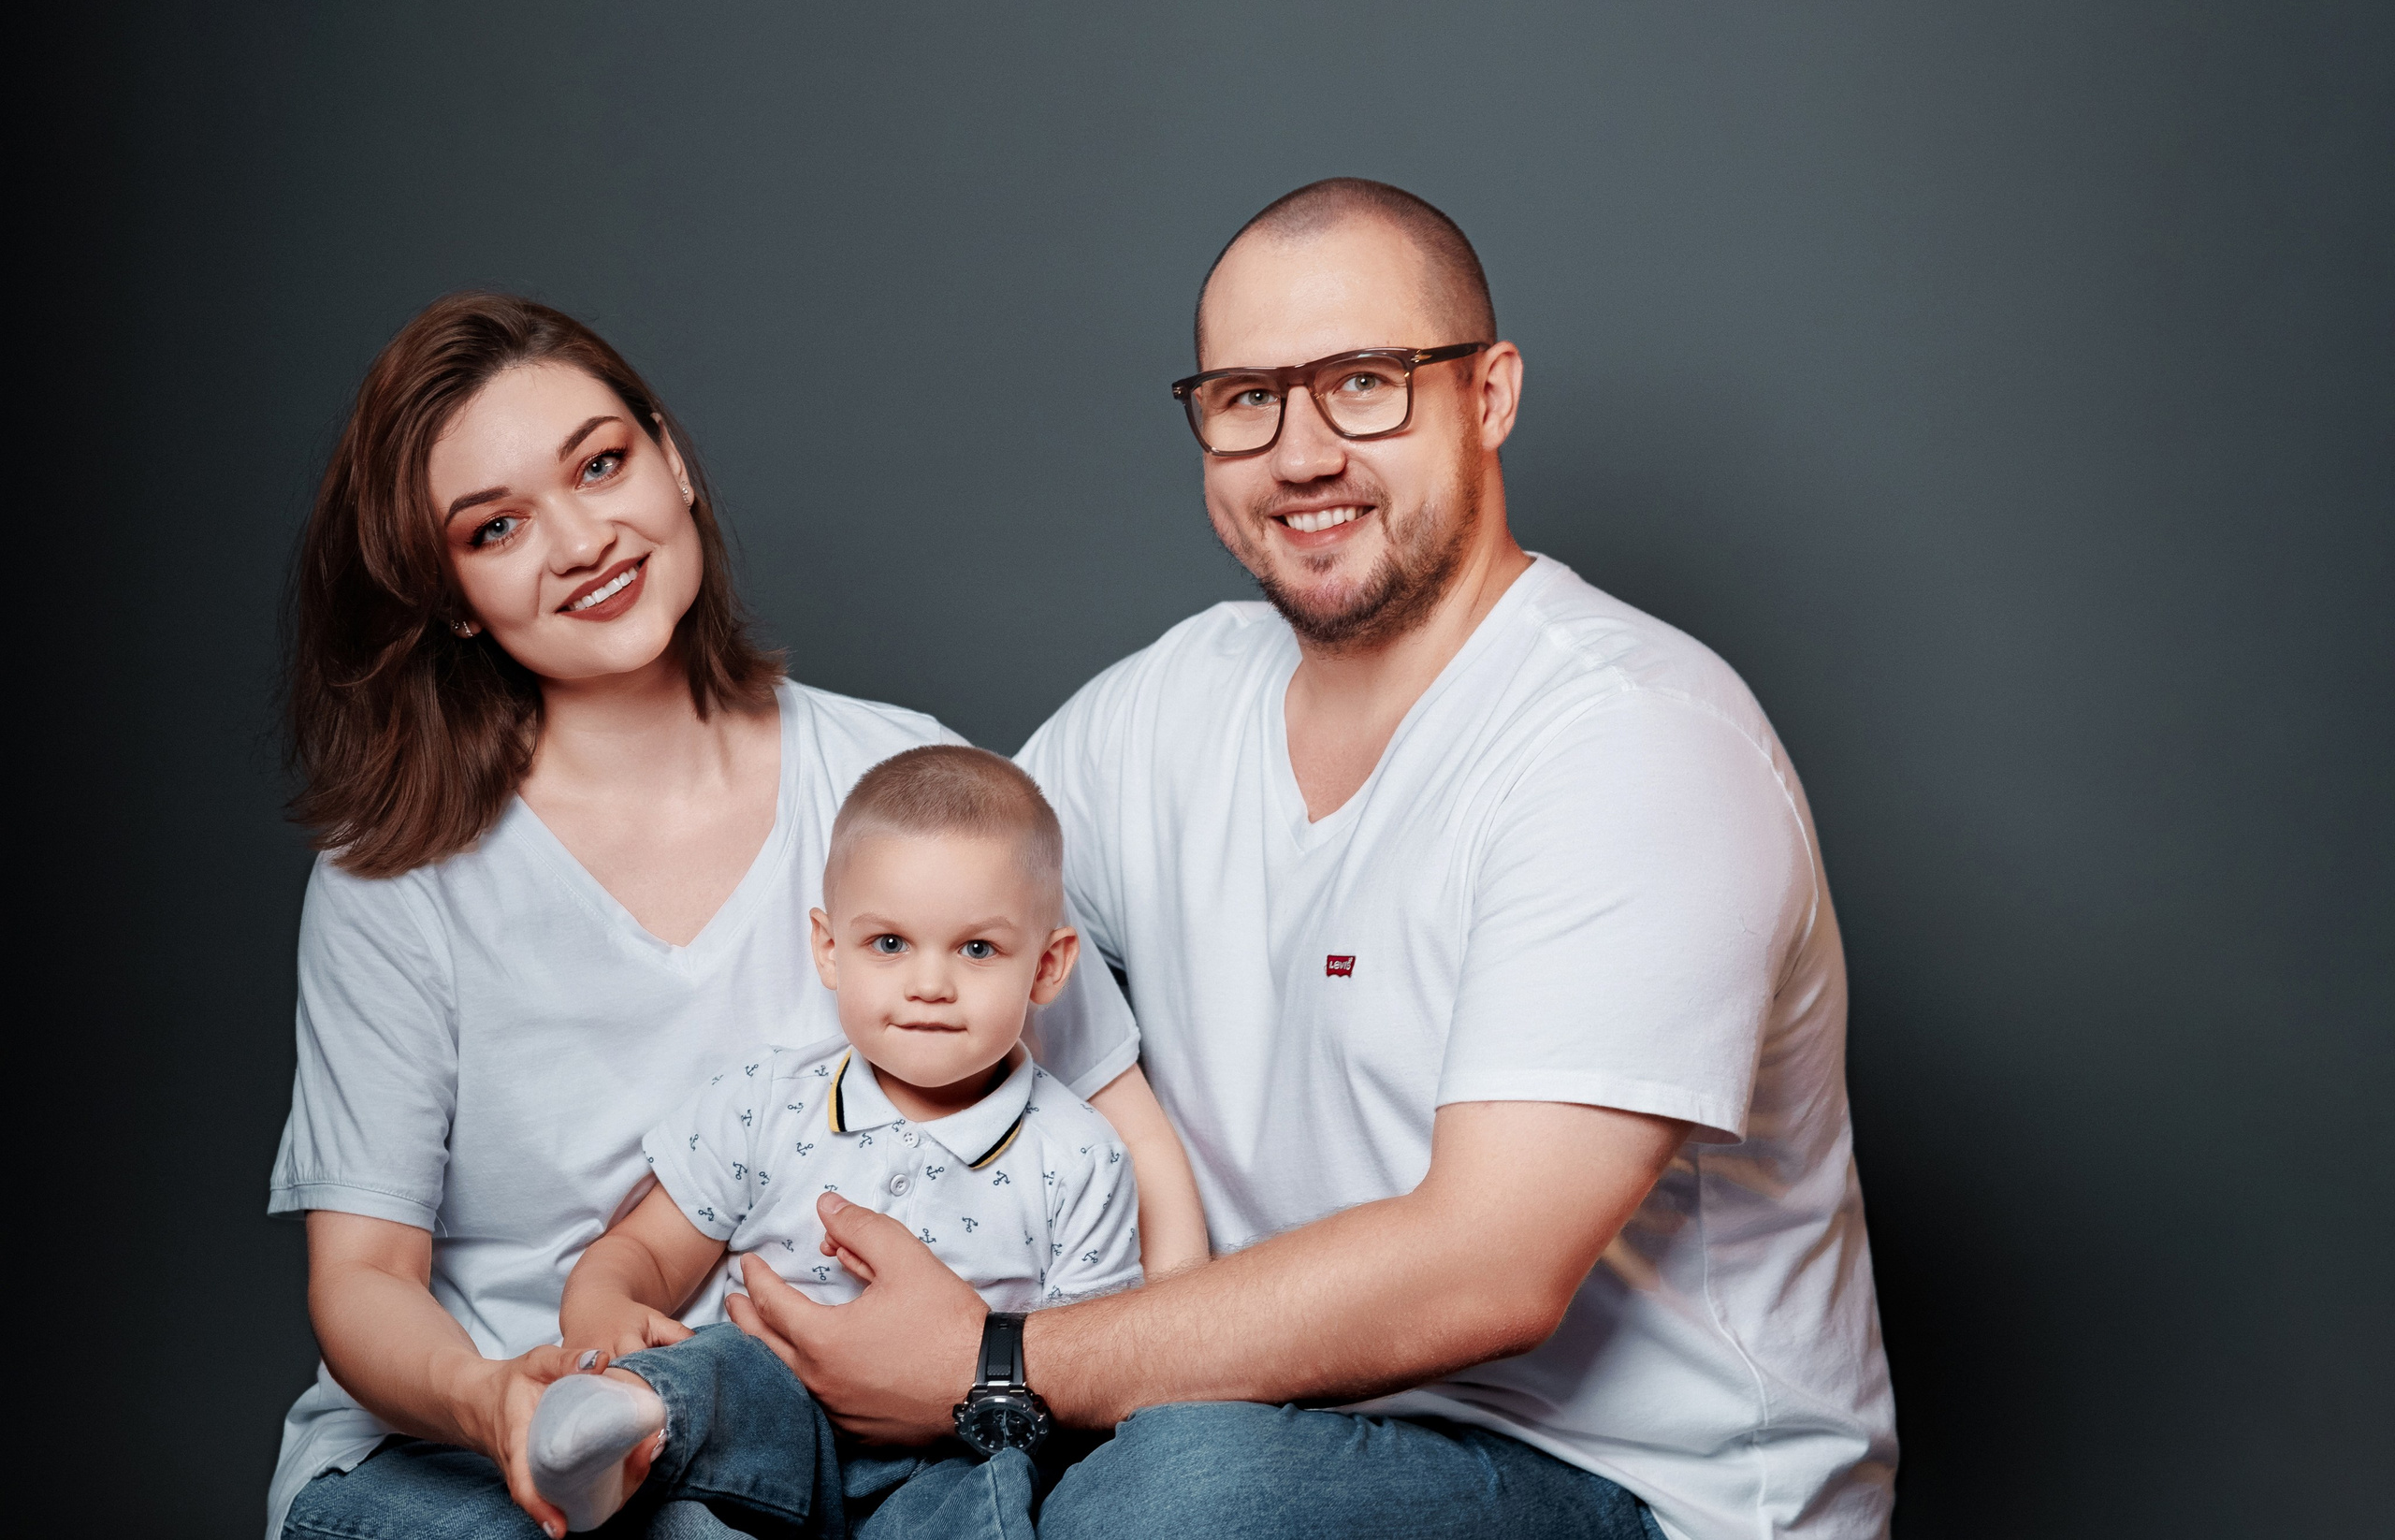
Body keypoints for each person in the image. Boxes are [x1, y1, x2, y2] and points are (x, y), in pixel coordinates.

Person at [723, 180, 1900, 1540]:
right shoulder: (1169, 699)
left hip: (1642, 1489)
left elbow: (1487, 1268)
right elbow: (918, 910)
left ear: (1491, 393)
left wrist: (993, 1367)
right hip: (1251, 1412)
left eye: (1364, 382)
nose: (1301, 452)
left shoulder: (1631, 735)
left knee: (1169, 1501)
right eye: (1245, 398)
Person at [268, 294, 1199, 1540]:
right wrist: (490, 1398)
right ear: (449, 594)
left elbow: (1124, 1134)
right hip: (466, 1458)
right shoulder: (394, 875)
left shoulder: (900, 782)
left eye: (602, 463)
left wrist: (1165, 1414)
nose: (581, 539)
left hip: (836, 1459)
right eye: (497, 527)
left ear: (675, 460)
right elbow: (365, 1278)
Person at [519, 745, 1184, 1533]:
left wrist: (967, 1403)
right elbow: (650, 1250)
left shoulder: (1080, 1159)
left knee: (999, 1496)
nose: (929, 984)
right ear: (830, 949)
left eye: (977, 949)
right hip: (769, 1422)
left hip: (949, 1452)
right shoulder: (766, 1103)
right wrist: (600, 1310)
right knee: (721, 1373)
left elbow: (1087, 1374)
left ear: (1047, 966)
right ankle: (616, 1436)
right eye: (890, 944)